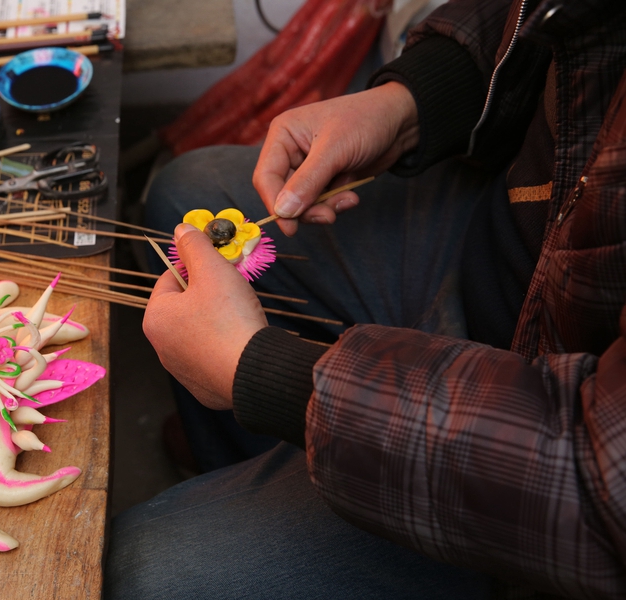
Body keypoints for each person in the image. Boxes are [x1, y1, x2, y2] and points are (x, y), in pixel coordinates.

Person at [105, 0, 626, 598]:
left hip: (536, 474)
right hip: (511, 246)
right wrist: (414, 100)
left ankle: (283, 469)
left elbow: (600, 486)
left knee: (137, 573)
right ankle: (250, 464)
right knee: (183, 188)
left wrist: (269, 376)